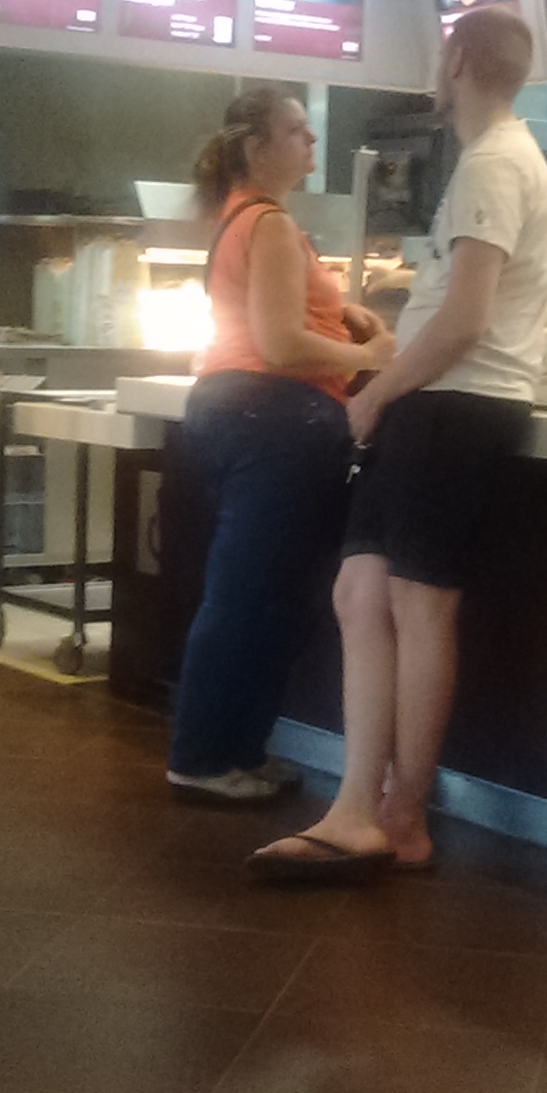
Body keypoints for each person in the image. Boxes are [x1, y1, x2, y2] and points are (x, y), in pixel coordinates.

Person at [247, 8, 547, 880]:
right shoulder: (493, 160)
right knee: (359, 592)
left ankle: (400, 815)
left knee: (420, 606)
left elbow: (464, 320)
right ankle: (360, 805)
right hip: (434, 405)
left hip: (456, 406)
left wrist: (378, 392)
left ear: (456, 61)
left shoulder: (495, 162)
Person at [166, 88, 396, 804]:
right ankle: (201, 757)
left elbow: (277, 319)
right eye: (297, 132)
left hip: (246, 414)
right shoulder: (267, 222)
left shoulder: (245, 217)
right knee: (248, 596)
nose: (312, 143)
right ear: (257, 146)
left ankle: (236, 750)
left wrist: (342, 313)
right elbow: (278, 343)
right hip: (273, 419)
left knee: (265, 596)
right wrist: (371, 355)